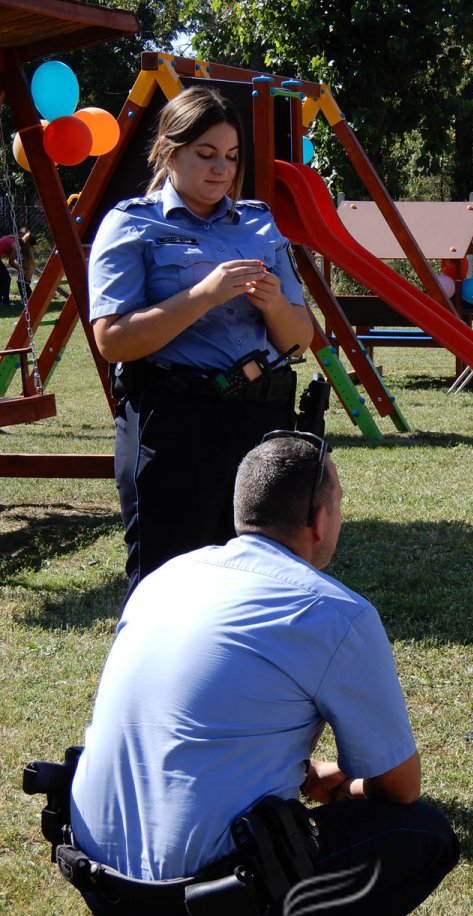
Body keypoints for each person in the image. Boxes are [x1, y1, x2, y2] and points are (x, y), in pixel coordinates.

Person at [69, 432, 459, 916]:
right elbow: (398, 790)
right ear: (319, 518)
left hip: (99, 869)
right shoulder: (335, 613)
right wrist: (342, 785)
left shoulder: (165, 578)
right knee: (423, 836)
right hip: (205, 892)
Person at [87, 85, 314, 598]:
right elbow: (113, 341)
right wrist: (202, 296)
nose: (222, 170)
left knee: (263, 581)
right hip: (174, 422)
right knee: (167, 584)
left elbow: (300, 340)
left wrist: (275, 304)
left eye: (231, 157)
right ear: (169, 152)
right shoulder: (132, 224)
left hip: (261, 422)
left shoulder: (259, 223)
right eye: (206, 154)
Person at [9, 228, 36, 298]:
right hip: (25, 265)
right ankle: (27, 298)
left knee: (24, 283)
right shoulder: (22, 244)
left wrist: (24, 271)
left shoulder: (27, 249)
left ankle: (29, 298)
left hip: (27, 266)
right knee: (21, 282)